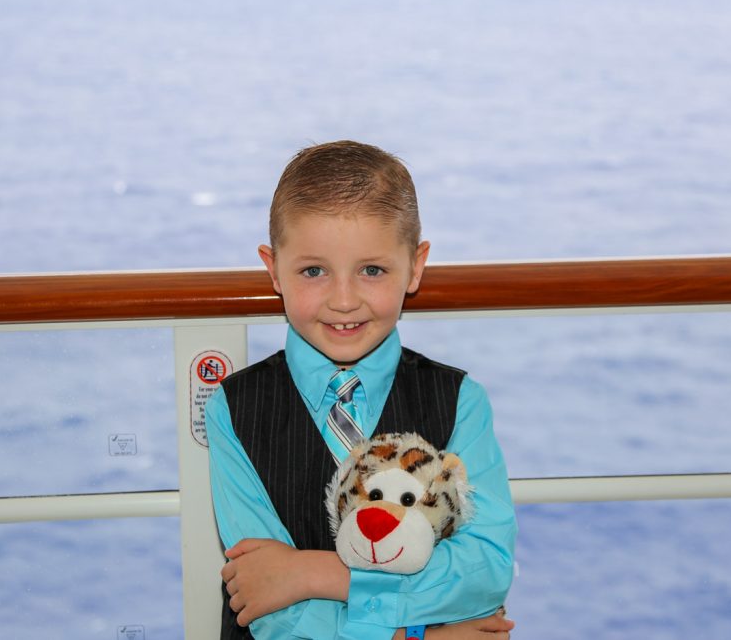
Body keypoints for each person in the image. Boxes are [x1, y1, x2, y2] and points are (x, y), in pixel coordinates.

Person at [205, 140, 517, 639]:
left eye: (372, 270)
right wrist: (411, 637)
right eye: (313, 271)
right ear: (273, 269)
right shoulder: (235, 408)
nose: (344, 300)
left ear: (415, 266)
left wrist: (314, 574)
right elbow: (264, 601)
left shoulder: (460, 401)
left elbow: (485, 571)